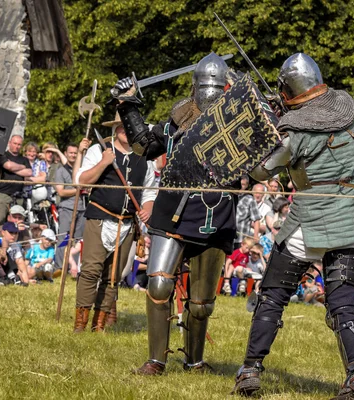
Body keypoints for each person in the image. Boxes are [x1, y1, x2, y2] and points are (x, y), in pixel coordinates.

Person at [232, 53, 354, 399]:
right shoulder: (347, 113)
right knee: (343, 305)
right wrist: (286, 116)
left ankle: (251, 369)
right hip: (348, 220)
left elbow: (262, 170)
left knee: (273, 297)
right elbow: (317, 129)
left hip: (309, 222)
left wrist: (272, 126)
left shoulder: (294, 132)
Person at [114, 53, 244, 375]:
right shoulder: (177, 123)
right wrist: (129, 105)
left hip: (216, 216)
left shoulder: (238, 121)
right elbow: (143, 146)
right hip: (173, 210)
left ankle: (194, 361)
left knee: (201, 304)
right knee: (158, 286)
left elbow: (261, 162)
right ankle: (156, 360)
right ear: (194, 86)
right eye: (204, 85)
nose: (209, 91)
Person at [73, 112, 156, 333]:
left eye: (130, 128)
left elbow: (149, 192)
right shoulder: (99, 150)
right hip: (100, 218)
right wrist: (104, 163)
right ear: (115, 130)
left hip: (127, 224)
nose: (126, 132)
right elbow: (81, 180)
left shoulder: (145, 157)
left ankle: (98, 326)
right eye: (122, 127)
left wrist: (147, 209)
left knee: (113, 277)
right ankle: (80, 325)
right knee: (90, 271)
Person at [0, 135, 46, 231]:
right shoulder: (3, 155)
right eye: (15, 143)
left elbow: (29, 172)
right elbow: (8, 165)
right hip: (3, 193)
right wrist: (21, 167)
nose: (16, 146)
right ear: (9, 143)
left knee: (18, 222)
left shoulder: (24, 159)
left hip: (18, 196)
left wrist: (13, 168)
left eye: (19, 144)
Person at [54, 141, 88, 272]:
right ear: (65, 154)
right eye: (71, 153)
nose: (73, 155)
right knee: (64, 238)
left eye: (75, 153)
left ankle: (74, 268)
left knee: (79, 240)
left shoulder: (82, 170)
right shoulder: (61, 171)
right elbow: (61, 191)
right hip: (67, 208)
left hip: (82, 208)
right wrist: (80, 190)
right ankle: (59, 267)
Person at [234, 176, 261, 249]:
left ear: (246, 185)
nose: (240, 186)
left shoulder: (250, 199)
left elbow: (256, 219)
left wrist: (255, 236)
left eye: (243, 184)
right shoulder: (230, 196)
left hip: (241, 240)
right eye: (239, 184)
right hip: (228, 238)